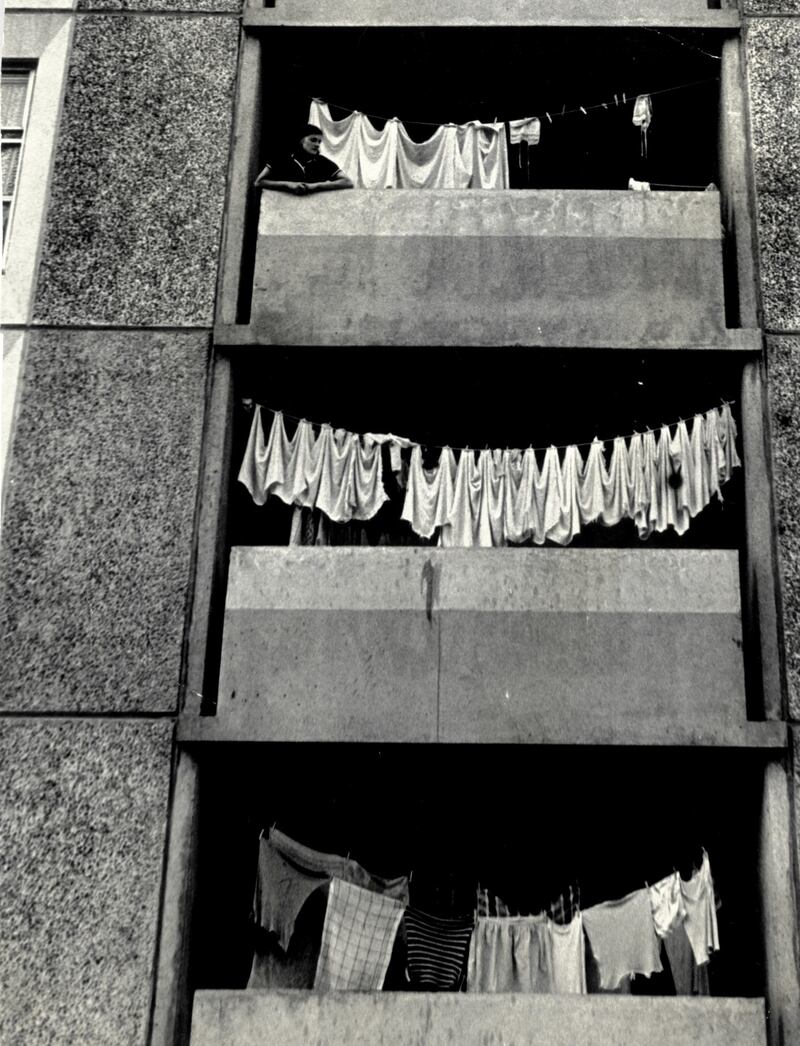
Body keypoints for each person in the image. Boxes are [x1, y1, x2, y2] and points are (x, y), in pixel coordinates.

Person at [254, 125, 354, 196]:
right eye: (313, 140)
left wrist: (314, 187)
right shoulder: (281, 158)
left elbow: (347, 182)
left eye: (319, 141)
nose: (317, 144)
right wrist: (288, 185)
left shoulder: (323, 162)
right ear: (301, 140)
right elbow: (259, 182)